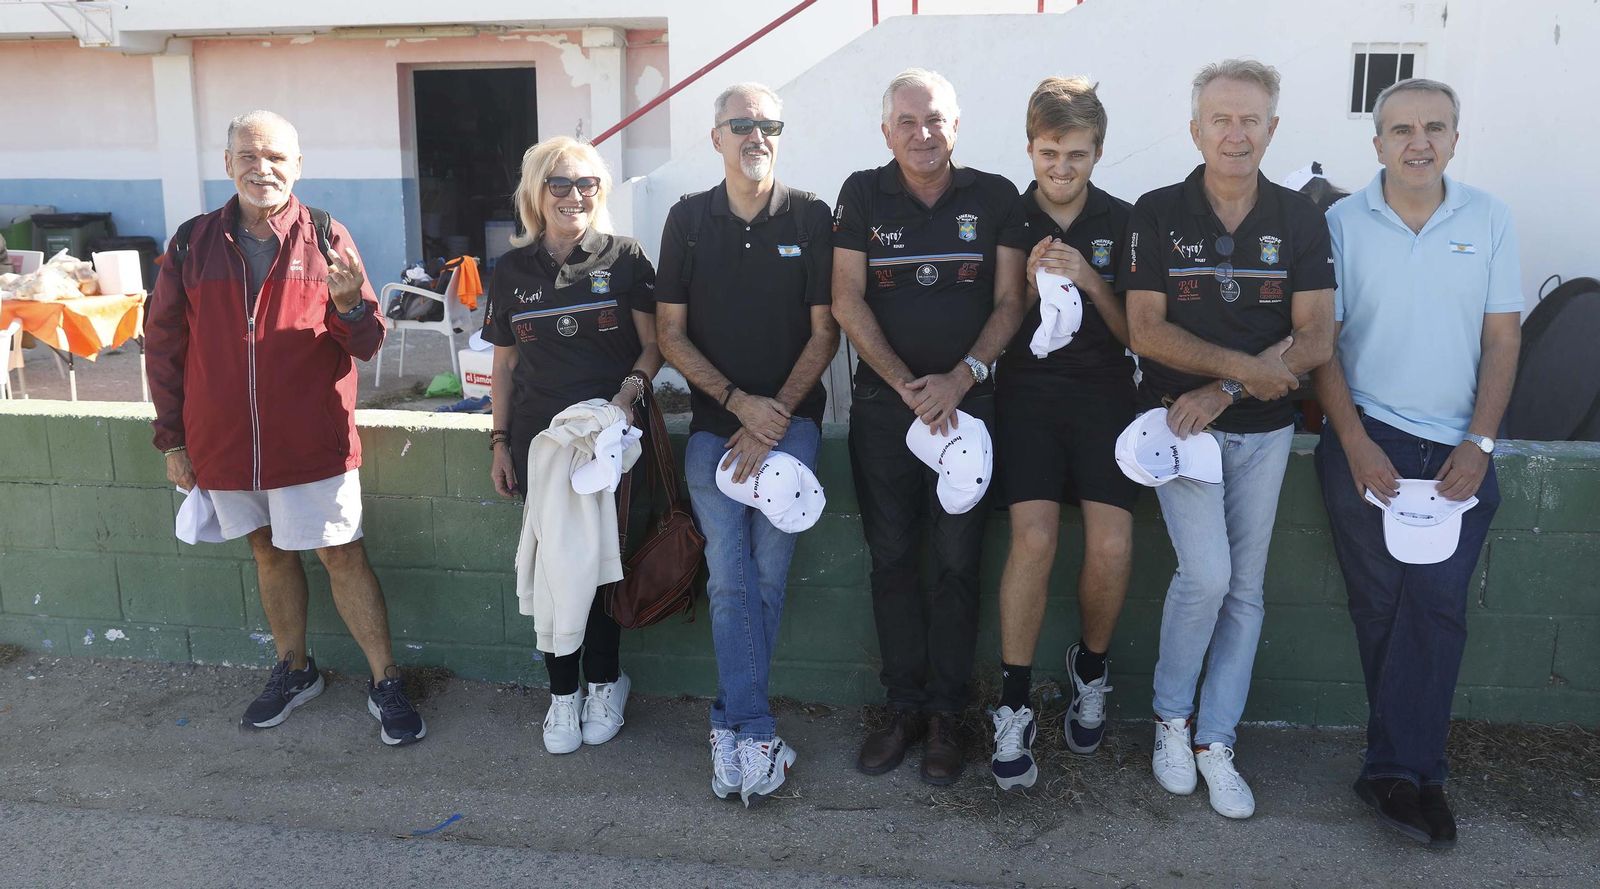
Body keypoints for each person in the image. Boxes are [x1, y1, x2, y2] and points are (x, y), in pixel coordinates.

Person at [146, 110, 426, 746]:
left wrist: (352, 304)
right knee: (267, 551)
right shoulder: (191, 243)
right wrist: (173, 439)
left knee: (340, 553)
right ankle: (296, 670)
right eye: (248, 156)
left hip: (311, 440)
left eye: (275, 157)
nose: (261, 167)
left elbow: (367, 344)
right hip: (225, 443)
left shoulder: (325, 237)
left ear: (297, 166)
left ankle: (385, 680)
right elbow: (161, 346)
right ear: (227, 165)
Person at [1121, 60, 1335, 818]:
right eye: (1221, 119)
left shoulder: (1300, 219)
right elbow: (1146, 330)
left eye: (1250, 120)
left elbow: (1316, 336)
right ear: (1195, 129)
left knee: (1246, 590)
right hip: (1178, 427)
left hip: (1263, 429)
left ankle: (1216, 739)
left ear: (1272, 129)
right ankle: (1169, 721)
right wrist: (1232, 375)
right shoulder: (1155, 211)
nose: (1235, 133)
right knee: (1208, 576)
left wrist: (1230, 386)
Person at [1312, 78, 1520, 850]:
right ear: (1376, 145)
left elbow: (1503, 340)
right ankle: (1412, 774)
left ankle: (1398, 769)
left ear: (1456, 139)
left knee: (1435, 603)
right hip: (1367, 440)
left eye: (1435, 126)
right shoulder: (1339, 222)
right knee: (1380, 608)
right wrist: (1357, 441)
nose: (1418, 141)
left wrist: (1480, 442)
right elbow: (1321, 342)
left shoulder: (1490, 218)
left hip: (1459, 449)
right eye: (1401, 129)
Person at [832, 68, 1029, 786]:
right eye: (908, 122)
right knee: (891, 559)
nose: (924, 134)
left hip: (967, 414)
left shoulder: (995, 195)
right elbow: (847, 299)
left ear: (957, 125)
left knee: (955, 563)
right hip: (888, 414)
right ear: (886, 131)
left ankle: (948, 713)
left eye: (936, 120)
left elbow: (1010, 302)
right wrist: (907, 386)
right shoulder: (861, 194)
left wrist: (960, 378)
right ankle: (904, 707)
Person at [655, 83, 839, 807]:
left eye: (768, 124)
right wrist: (738, 405)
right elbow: (670, 332)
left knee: (766, 576)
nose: (756, 135)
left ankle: (732, 726)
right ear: (716, 138)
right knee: (730, 577)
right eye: (741, 124)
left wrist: (776, 414)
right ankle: (756, 729)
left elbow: (825, 332)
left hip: (791, 426)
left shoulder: (813, 215)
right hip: (713, 426)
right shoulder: (688, 220)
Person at [482, 136, 661, 755]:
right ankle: (564, 694)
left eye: (586, 183)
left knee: (606, 567)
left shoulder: (627, 257)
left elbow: (655, 343)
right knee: (554, 570)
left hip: (613, 445)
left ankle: (607, 682)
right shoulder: (510, 271)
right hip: (540, 447)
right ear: (536, 193)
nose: (574, 195)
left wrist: (626, 398)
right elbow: (503, 367)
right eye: (560, 183)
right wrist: (501, 442)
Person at [988, 77, 1138, 790]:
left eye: (1077, 153)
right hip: (1028, 398)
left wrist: (1089, 278)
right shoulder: (1009, 217)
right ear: (1031, 148)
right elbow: (1004, 312)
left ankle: (1092, 666)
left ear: (1098, 151)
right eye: (1050, 151)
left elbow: (1137, 331)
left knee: (1111, 542)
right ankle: (1013, 700)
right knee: (1036, 539)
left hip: (1108, 397)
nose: (1062, 166)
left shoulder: (1123, 219)